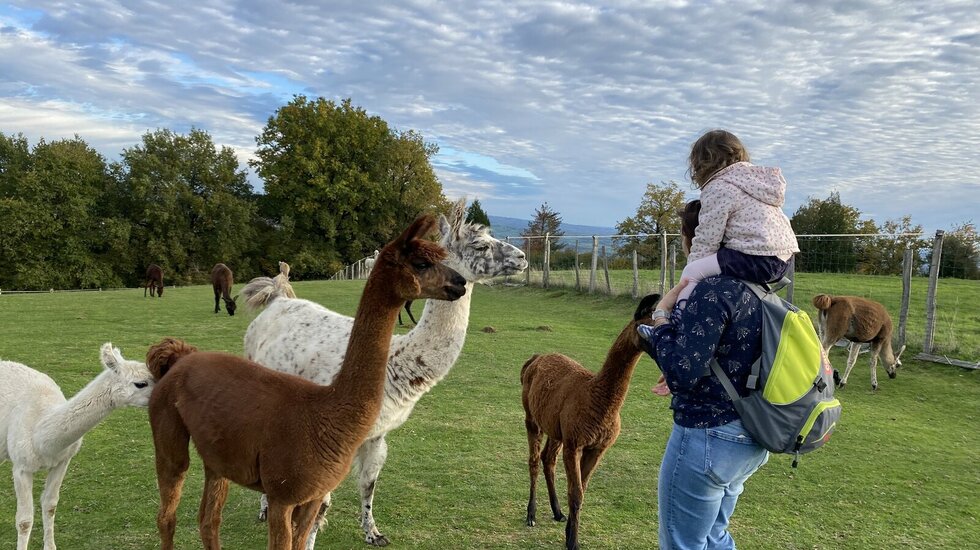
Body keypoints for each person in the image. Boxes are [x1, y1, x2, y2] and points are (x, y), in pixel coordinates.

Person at [638, 200, 769, 549]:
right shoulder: (758, 287)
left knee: (682, 542)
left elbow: (682, 374)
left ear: (692, 239)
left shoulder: (710, 292)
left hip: (708, 435)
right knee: (714, 535)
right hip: (750, 434)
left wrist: (662, 316)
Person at [676, 129, 799, 306]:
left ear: (702, 162)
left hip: (756, 256)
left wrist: (693, 264)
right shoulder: (754, 182)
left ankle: (677, 318)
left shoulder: (718, 186)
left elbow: (708, 237)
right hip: (783, 259)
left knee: (692, 273)